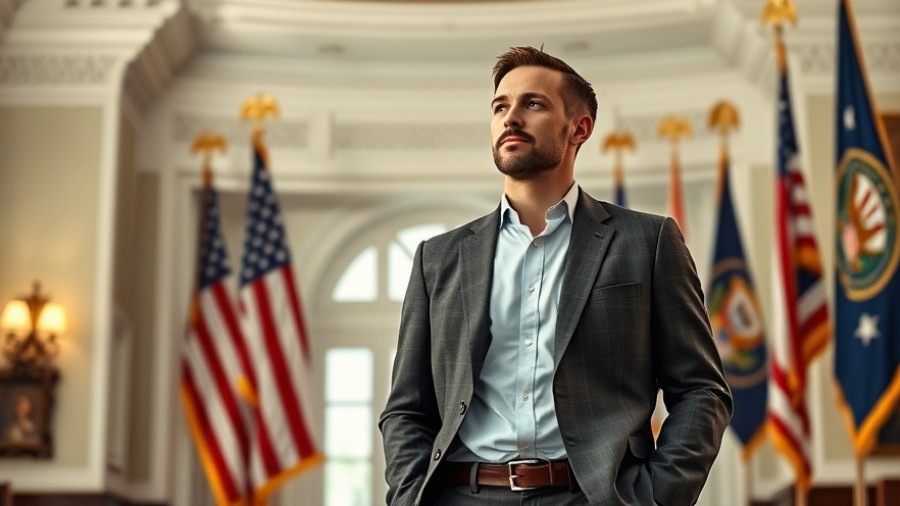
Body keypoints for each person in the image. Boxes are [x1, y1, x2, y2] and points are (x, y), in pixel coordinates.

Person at [379, 46, 733, 506]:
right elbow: (407, 407)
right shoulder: (439, 258)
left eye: (533, 104)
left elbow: (702, 390)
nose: (511, 118)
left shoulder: (647, 241)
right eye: (500, 106)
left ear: (579, 128)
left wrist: (657, 497)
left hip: (594, 497)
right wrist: (410, 495)